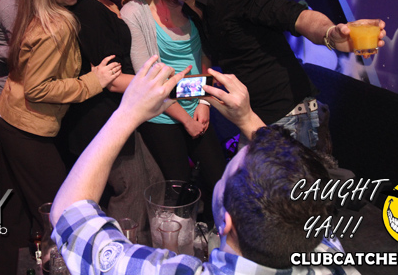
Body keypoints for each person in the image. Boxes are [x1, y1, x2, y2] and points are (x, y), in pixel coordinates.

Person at [49, 56, 358, 274]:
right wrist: (247, 118)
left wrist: (127, 113)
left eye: (230, 167)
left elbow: (69, 215)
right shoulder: (329, 256)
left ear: (226, 222)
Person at [155, 0, 386, 150]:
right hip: (255, 122)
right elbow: (220, 66)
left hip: (292, 119)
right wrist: (175, 91)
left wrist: (330, 34)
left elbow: (296, 16)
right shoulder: (192, 12)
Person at [0, 0, 120, 275]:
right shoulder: (58, 25)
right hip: (28, 128)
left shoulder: (34, 11)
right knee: (62, 217)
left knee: (15, 215)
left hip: (8, 117)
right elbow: (38, 89)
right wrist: (93, 81)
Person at [59, 0, 164, 244]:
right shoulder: (84, 10)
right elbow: (113, 80)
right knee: (133, 191)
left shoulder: (100, 0)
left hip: (118, 111)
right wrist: (169, 85)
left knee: (151, 183)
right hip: (99, 116)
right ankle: (114, 257)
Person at [116, 0, 226, 219]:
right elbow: (150, 80)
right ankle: (181, 245)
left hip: (198, 104)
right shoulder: (133, 12)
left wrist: (204, 102)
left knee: (219, 180)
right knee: (179, 190)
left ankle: (220, 238)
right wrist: (186, 119)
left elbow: (206, 53)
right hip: (163, 114)